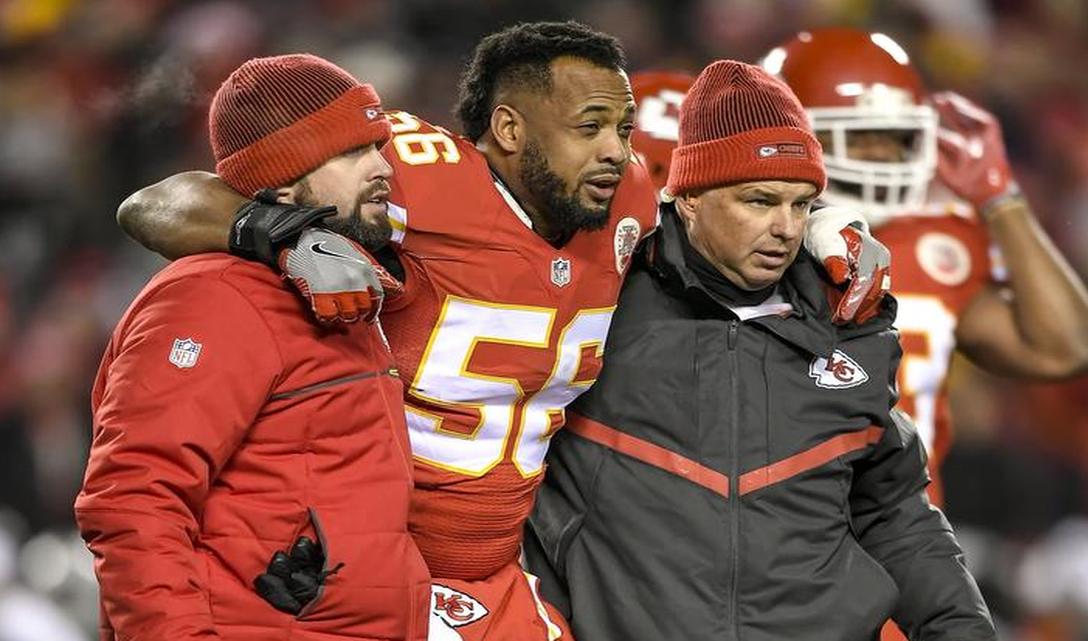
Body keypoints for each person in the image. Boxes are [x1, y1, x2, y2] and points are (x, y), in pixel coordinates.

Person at [112, 22, 888, 641]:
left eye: (620, 127)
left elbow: (720, 205)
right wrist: (272, 229)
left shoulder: (622, 196)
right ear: (510, 129)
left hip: (502, 569)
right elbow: (160, 202)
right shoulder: (413, 178)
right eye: (592, 126)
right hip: (376, 571)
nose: (617, 149)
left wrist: (821, 219)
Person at [524, 60, 998, 641]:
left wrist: (962, 630)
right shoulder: (597, 303)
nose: (784, 227)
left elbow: (894, 511)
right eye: (759, 200)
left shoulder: (849, 321)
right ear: (689, 197)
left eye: (801, 205)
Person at [74, 55, 430, 641]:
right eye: (350, 153)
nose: (382, 169)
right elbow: (134, 502)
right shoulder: (213, 296)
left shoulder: (344, 288)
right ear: (284, 181)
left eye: (377, 147)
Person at [760, 27, 1088, 506]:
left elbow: (1067, 350)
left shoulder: (936, 241)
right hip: (776, 526)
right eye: (860, 138)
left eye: (894, 139)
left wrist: (1000, 200)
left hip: (906, 539)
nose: (881, 156)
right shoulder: (740, 238)